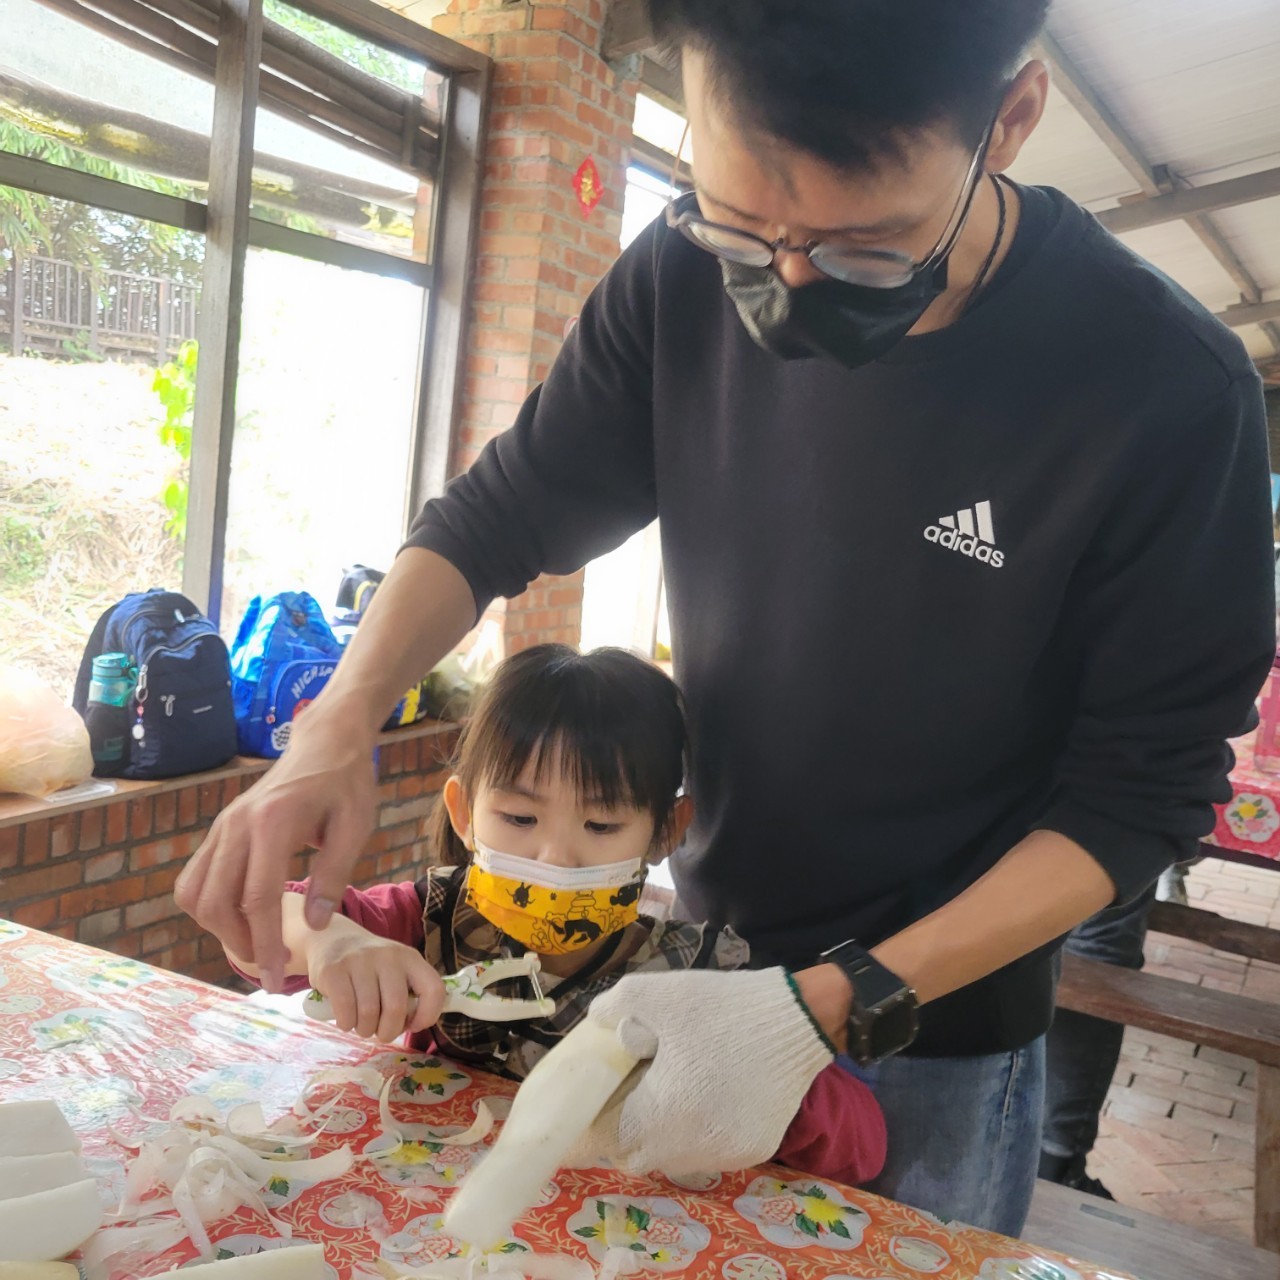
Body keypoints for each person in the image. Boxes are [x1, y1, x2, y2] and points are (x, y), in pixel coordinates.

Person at [176, 0, 1275, 1236]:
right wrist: (336, 725)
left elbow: (1140, 790)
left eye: (864, 248)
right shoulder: (674, 273)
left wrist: (827, 1003)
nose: (786, 287)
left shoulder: (1160, 385)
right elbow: (502, 510)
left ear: (1008, 119)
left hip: (932, 1030)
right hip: (695, 969)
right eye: (739, 227)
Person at [222, 644, 887, 1188]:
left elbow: (864, 1146)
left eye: (601, 825)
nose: (555, 858)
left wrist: (759, 1075)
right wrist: (333, 942)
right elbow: (263, 931)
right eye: (518, 818)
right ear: (464, 814)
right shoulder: (427, 921)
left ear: (664, 831)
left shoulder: (701, 978)